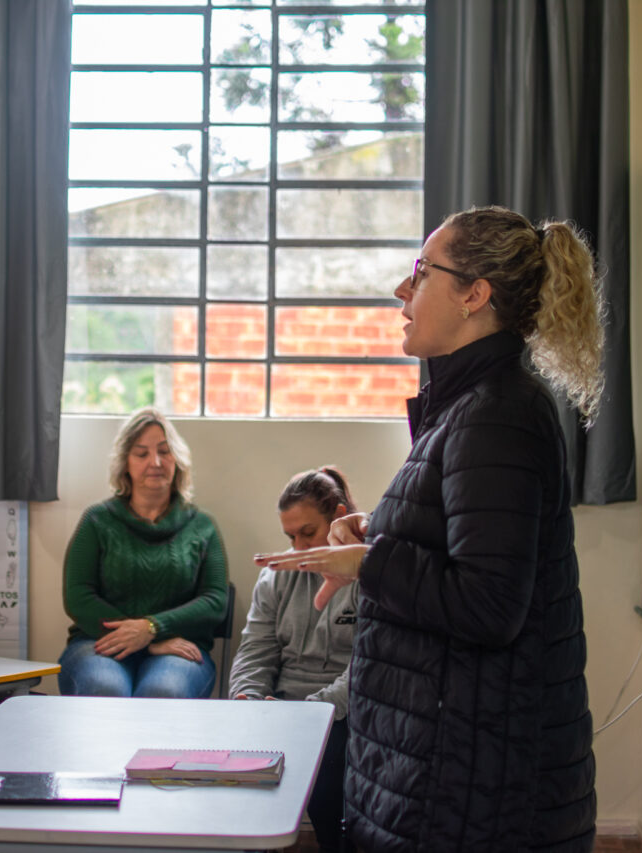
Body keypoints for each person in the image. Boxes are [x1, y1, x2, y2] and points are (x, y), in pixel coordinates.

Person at [256, 206, 602, 852]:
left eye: (422, 272)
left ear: (475, 295)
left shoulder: (498, 414)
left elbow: (489, 602)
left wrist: (371, 562)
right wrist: (376, 532)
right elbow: (458, 540)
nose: (402, 290)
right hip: (452, 764)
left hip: (472, 786)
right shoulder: (473, 406)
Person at [228, 465, 359, 853]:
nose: (299, 548)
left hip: (340, 712)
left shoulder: (367, 575)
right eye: (290, 537)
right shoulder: (277, 576)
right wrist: (247, 700)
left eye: (308, 533)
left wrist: (308, 714)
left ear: (338, 518)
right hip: (279, 706)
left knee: (326, 763)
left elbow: (364, 672)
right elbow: (255, 650)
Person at [58, 407, 227, 699]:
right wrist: (147, 639)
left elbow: (214, 602)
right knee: (105, 689)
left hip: (180, 647)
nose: (156, 462)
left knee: (163, 692)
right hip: (99, 642)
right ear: (125, 462)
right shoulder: (97, 520)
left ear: (178, 459)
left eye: (165, 451)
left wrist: (152, 627)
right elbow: (78, 596)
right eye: (141, 453)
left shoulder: (203, 526)